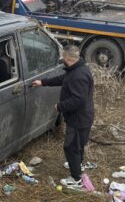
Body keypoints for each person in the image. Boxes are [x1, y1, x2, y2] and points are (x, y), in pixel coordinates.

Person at [31, 45, 95, 190]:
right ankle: (77, 164)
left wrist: (60, 106)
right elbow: (64, 79)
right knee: (78, 145)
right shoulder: (77, 69)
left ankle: (76, 179)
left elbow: (79, 100)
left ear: (67, 58)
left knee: (71, 147)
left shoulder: (78, 76)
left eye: (62, 57)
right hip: (82, 117)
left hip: (79, 119)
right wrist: (44, 82)